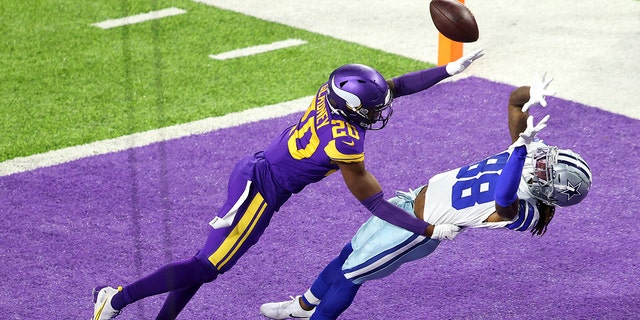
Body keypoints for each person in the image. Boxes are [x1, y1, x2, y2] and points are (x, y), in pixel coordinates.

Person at [91, 48, 485, 319]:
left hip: (258, 172)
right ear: (352, 109)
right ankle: (116, 300)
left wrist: (448, 70)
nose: (381, 114)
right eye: (374, 110)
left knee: (205, 263)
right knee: (208, 266)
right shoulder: (344, 142)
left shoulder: (332, 94)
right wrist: (429, 227)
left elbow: (394, 86)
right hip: (261, 191)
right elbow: (376, 203)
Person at [259, 73, 592, 320]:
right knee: (349, 252)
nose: (542, 160)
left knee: (351, 275)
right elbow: (515, 102)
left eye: (547, 169)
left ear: (550, 192)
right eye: (549, 158)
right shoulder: (528, 155)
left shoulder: (525, 213)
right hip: (411, 201)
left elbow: (504, 198)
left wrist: (519, 153)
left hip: (418, 230)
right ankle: (303, 307)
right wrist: (531, 92)